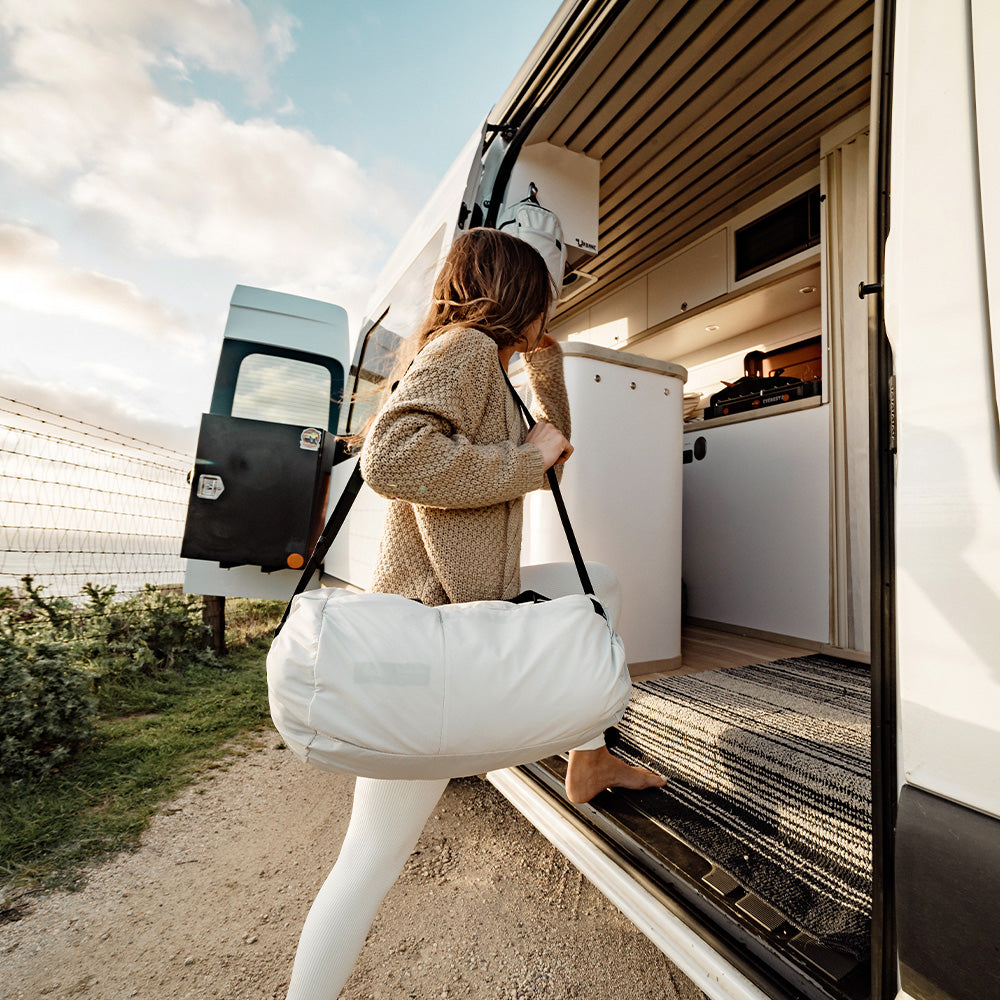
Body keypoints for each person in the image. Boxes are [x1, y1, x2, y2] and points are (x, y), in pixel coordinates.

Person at [284, 227, 664, 1000]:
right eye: (544, 299)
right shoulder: (463, 351)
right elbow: (393, 458)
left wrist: (543, 364)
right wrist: (526, 459)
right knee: (367, 863)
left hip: (470, 610)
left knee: (597, 588)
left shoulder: (489, 366)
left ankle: (588, 759)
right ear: (519, 294)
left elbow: (550, 458)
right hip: (430, 635)